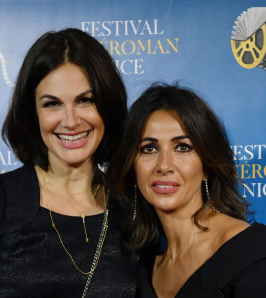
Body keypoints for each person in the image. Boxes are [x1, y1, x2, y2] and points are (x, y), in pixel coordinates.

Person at [0, 28, 151, 298]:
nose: (71, 120)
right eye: (52, 104)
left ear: (108, 106)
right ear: (33, 114)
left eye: (86, 101)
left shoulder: (131, 210)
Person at [108, 83, 266, 297]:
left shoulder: (255, 253)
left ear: (207, 166)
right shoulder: (143, 267)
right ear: (132, 166)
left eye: (183, 147)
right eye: (149, 148)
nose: (164, 165)